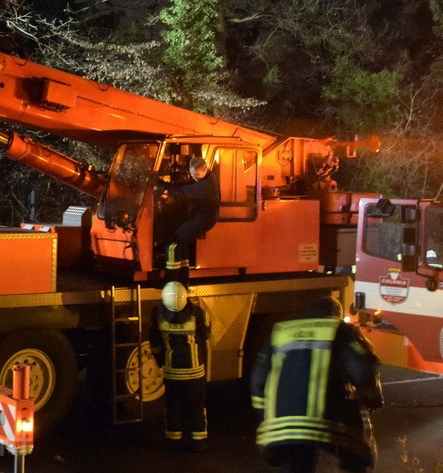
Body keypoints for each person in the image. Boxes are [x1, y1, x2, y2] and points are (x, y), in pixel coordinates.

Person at [250, 296, 384, 473]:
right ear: (336, 314)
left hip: (281, 427)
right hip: (329, 421)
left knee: (295, 464)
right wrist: (373, 399)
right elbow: (362, 371)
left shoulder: (281, 330)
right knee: (356, 454)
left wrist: (265, 419)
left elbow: (258, 381)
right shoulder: (341, 329)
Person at [149, 280, 211, 452]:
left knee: (173, 406)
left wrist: (159, 361)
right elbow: (206, 332)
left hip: (172, 371)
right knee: (196, 406)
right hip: (194, 372)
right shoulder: (197, 313)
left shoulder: (157, 314)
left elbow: (154, 342)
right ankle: (199, 442)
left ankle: (173, 440)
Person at [156, 156, 220, 280]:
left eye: (196, 175)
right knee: (183, 244)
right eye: (192, 174)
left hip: (203, 219)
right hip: (197, 216)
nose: (194, 177)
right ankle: (183, 279)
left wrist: (162, 183)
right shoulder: (203, 178)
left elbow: (183, 192)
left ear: (205, 169)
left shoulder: (207, 184)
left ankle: (171, 279)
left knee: (173, 244)